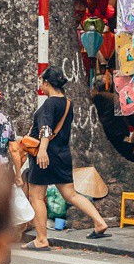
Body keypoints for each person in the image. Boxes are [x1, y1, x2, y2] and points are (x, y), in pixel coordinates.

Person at [25, 67, 110, 250]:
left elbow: (46, 129)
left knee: (37, 197)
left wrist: (42, 151)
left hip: (45, 156)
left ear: (47, 83)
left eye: (41, 81)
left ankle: (41, 239)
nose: (40, 85)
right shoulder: (68, 103)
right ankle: (99, 222)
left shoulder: (49, 104)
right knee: (70, 194)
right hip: (62, 154)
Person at [91, 75, 134, 161]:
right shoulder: (116, 98)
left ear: (95, 87)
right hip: (118, 135)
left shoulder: (97, 97)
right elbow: (131, 115)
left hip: (107, 134)